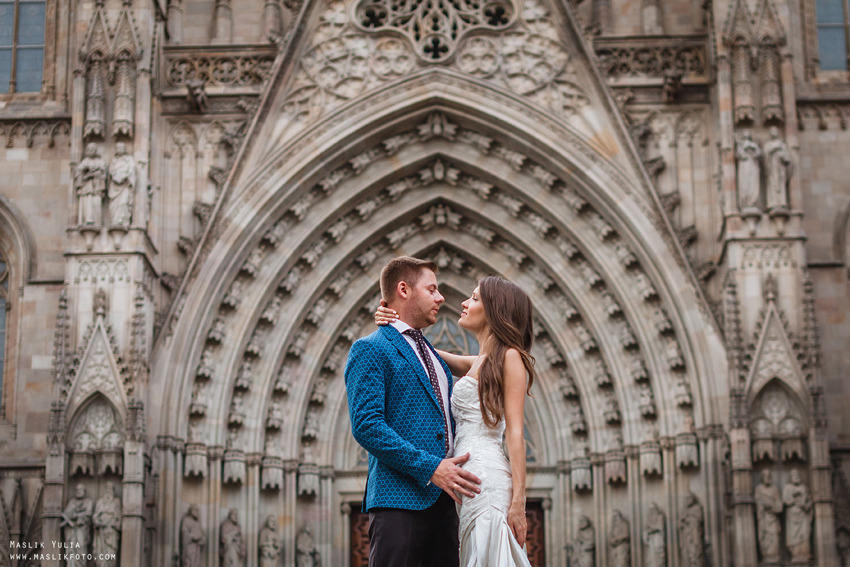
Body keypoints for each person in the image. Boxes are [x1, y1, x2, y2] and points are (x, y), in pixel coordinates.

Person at [375, 273, 537, 566]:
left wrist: (519, 502)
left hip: (486, 481)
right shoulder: (480, 362)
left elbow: (515, 433)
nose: (463, 302)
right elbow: (419, 352)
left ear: (494, 310)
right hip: (465, 485)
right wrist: (394, 323)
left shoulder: (511, 357)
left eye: (474, 299)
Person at [345, 256, 481, 567]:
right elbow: (367, 426)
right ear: (404, 290)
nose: (441, 297)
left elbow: (489, 364)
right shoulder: (370, 348)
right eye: (432, 289)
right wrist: (432, 468)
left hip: (444, 503)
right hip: (398, 501)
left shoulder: (431, 354)